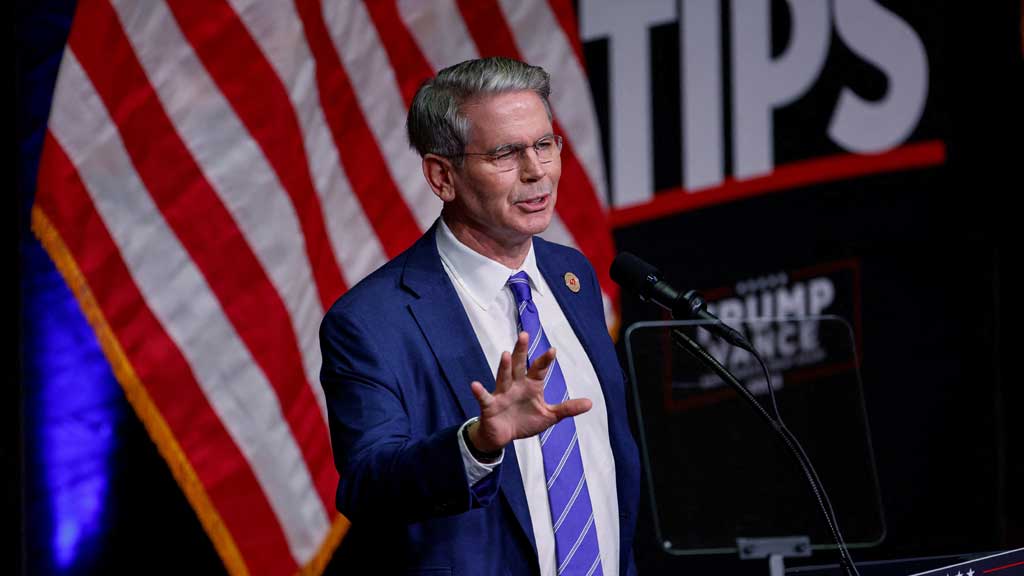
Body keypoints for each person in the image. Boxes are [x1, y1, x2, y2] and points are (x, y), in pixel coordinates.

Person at [320, 56, 639, 575]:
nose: (537, 171)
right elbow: (367, 487)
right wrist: (476, 444)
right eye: (506, 153)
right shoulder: (373, 321)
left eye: (544, 144)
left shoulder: (570, 275)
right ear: (442, 176)